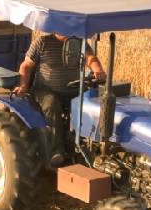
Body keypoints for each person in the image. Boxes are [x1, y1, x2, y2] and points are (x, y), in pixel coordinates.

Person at [12, 33, 105, 167]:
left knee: (92, 103)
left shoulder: (79, 42)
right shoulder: (42, 43)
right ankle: (56, 151)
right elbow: (26, 66)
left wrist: (98, 69)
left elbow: (91, 58)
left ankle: (92, 146)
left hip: (73, 89)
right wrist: (23, 86)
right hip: (45, 89)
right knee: (52, 103)